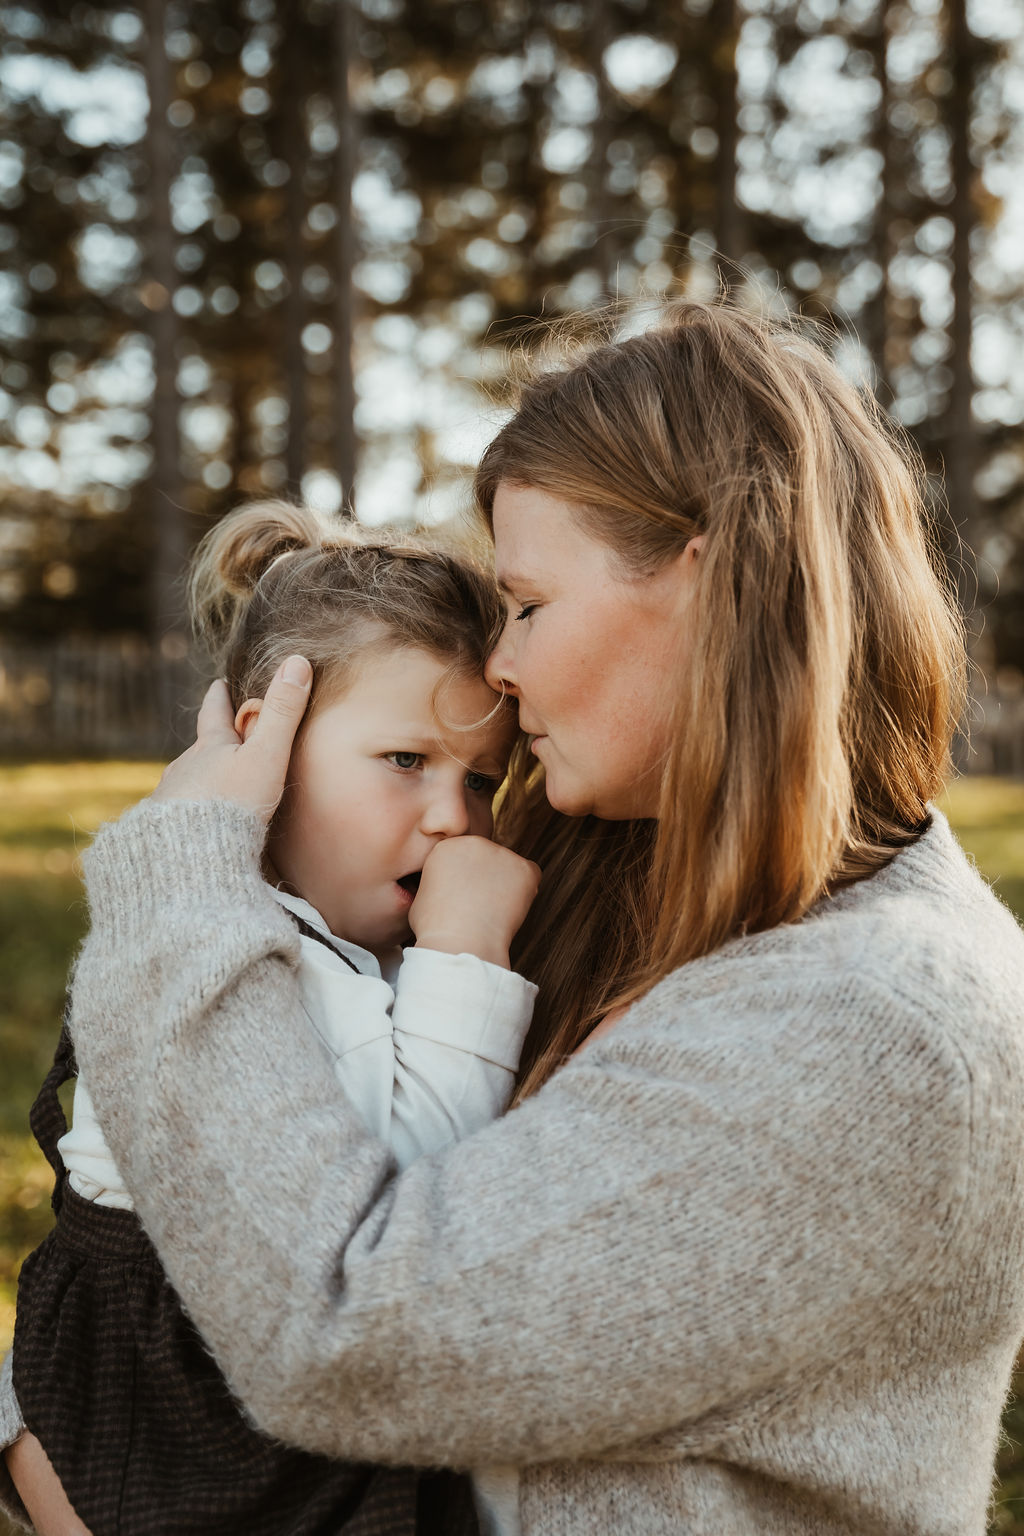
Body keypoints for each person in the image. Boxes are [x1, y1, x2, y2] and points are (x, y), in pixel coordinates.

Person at [7, 300, 1024, 1536]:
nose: (501, 666)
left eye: (529, 606)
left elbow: (344, 1332)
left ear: (709, 580)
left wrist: (182, 878)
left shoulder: (876, 1030)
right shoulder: (638, 865)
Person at [0, 501, 540, 1536]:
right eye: (403, 761)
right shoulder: (253, 964)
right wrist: (466, 954)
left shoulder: (314, 940)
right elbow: (404, 1197)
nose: (452, 816)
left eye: (481, 779)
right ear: (266, 752)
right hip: (183, 1406)